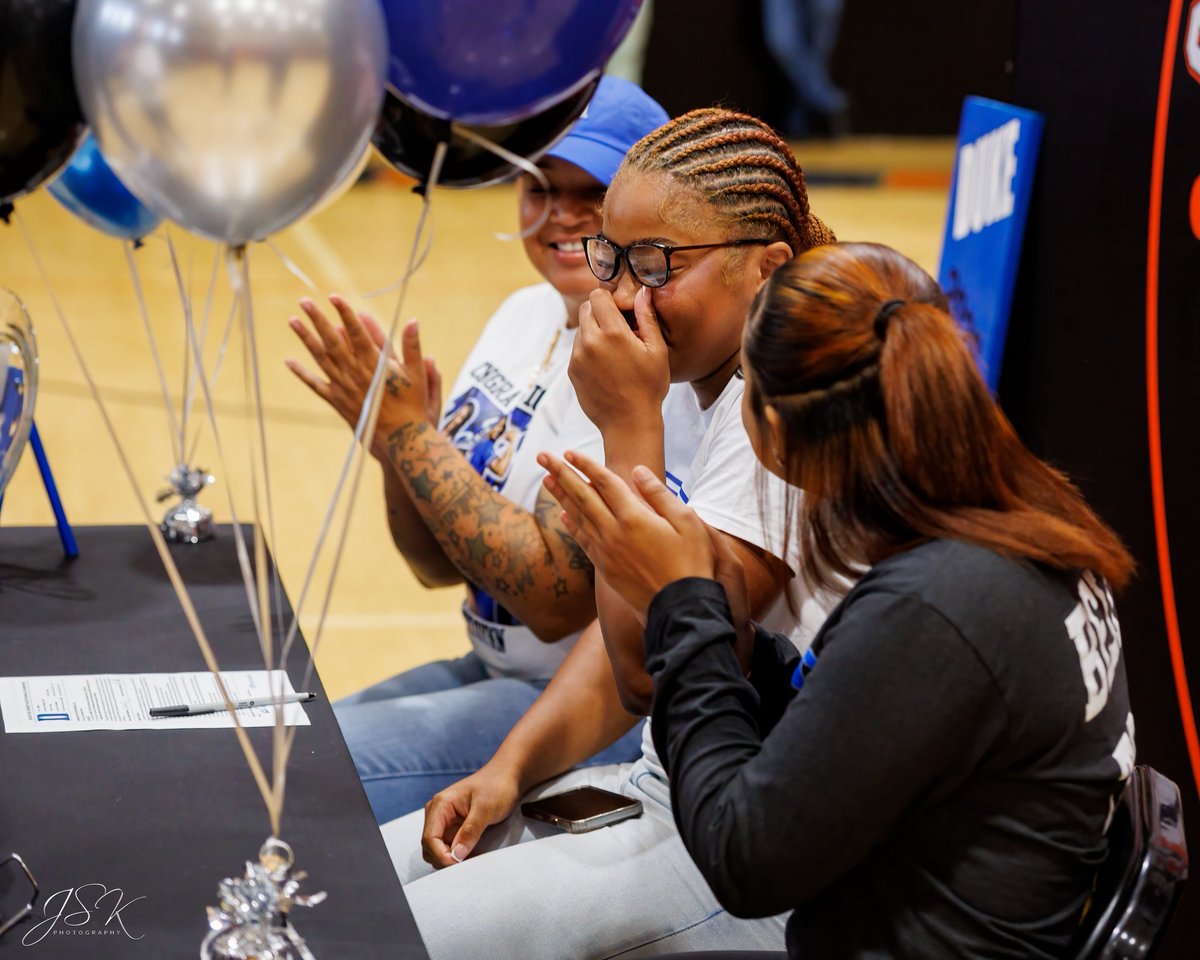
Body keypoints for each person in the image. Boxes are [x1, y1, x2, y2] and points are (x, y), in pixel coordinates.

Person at [541, 242, 1138, 958]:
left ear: (777, 429)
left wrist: (683, 608)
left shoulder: (940, 605)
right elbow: (854, 722)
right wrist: (729, 624)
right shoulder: (1019, 524)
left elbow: (744, 861)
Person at [382, 108, 838, 960]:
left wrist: (631, 425)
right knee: (379, 876)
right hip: (677, 782)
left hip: (756, 851)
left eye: (659, 264)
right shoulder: (705, 372)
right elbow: (612, 644)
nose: (625, 294)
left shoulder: (783, 407)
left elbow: (647, 670)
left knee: (390, 937)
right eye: (614, 259)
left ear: (767, 265)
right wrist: (510, 768)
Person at [285, 77, 669, 824]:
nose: (561, 216)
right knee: (277, 740)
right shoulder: (522, 315)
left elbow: (554, 600)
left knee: (300, 776)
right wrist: (399, 455)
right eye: (537, 187)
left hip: (586, 717)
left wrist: (410, 438)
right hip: (494, 669)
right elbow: (433, 565)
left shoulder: (640, 362)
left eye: (590, 192)